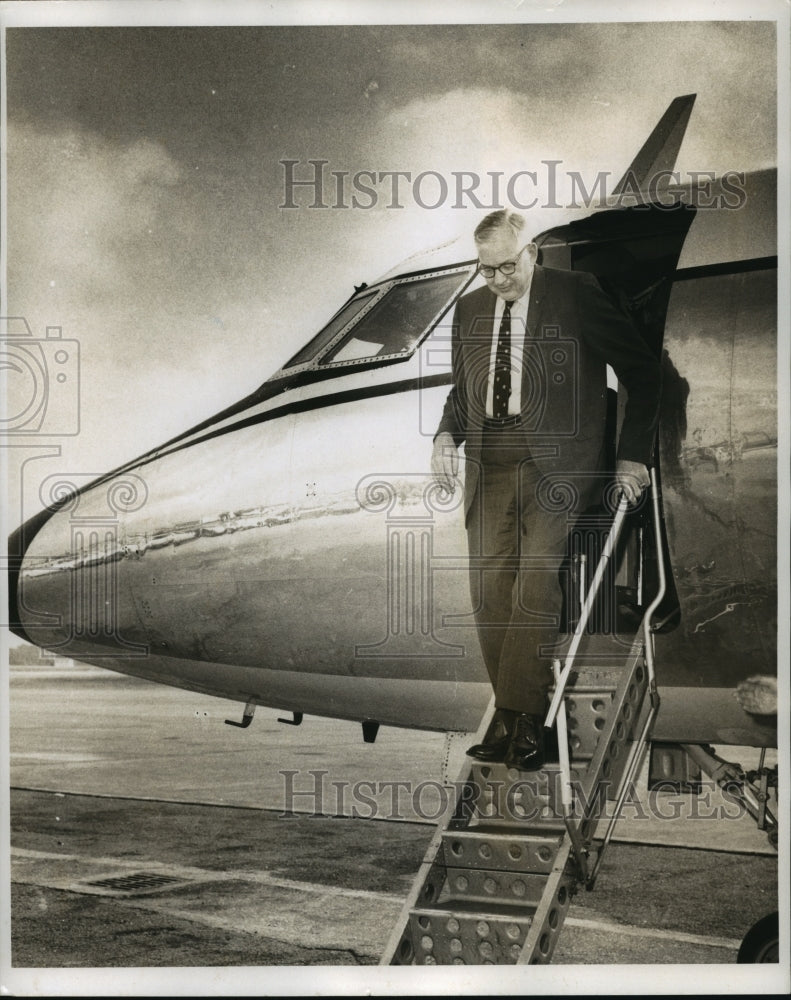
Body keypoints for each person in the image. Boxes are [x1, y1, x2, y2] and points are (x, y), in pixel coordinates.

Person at [431, 209, 661, 770]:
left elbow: (642, 371)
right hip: (489, 458)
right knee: (490, 589)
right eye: (487, 271)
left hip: (556, 463)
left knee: (537, 580)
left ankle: (525, 721)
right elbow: (465, 387)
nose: (500, 279)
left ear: (531, 251)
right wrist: (444, 435)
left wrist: (631, 456)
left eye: (509, 265)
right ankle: (513, 719)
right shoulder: (470, 307)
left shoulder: (577, 293)